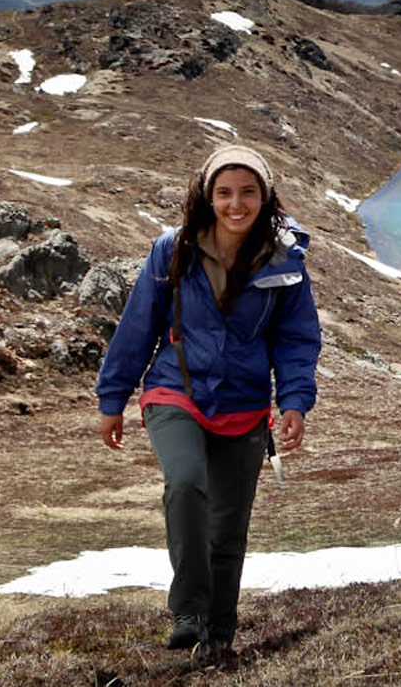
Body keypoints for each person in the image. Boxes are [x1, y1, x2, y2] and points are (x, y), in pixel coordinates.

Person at [95, 144, 321, 661]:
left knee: (229, 526)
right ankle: (189, 611)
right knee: (186, 484)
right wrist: (112, 397)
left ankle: (217, 635)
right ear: (207, 195)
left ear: (266, 197)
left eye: (248, 192)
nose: (235, 204)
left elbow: (296, 340)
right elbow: (137, 327)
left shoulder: (285, 261)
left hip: (244, 404)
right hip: (174, 391)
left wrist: (294, 402)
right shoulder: (172, 249)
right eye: (224, 193)